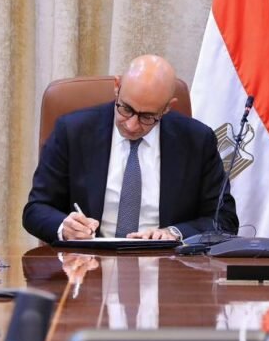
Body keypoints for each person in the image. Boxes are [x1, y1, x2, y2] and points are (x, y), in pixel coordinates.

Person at [23, 55, 238, 242]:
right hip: (88, 261)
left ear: (167, 108)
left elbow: (224, 219)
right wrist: (65, 227)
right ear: (117, 87)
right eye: (126, 109)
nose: (132, 125)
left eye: (147, 116)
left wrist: (175, 233)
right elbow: (36, 209)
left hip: (166, 263)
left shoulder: (197, 141)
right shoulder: (73, 131)